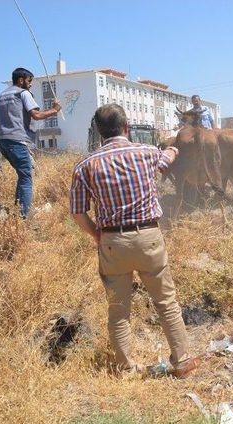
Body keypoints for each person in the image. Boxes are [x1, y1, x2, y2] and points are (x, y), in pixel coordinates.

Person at [70, 103, 200, 378]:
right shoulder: (146, 153)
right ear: (127, 127)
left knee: (118, 310)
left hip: (111, 242)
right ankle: (183, 361)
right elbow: (165, 161)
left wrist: (97, 234)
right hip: (149, 237)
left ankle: (126, 370)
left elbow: (78, 212)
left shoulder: (85, 165)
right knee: (166, 302)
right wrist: (174, 148)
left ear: (98, 132)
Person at [0, 67, 62, 218]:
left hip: (2, 141)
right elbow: (36, 115)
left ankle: (17, 213)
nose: (30, 84)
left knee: (22, 175)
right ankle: (24, 218)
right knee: (26, 177)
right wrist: (55, 110)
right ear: (21, 80)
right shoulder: (23, 93)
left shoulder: (2, 95)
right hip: (17, 141)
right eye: (29, 81)